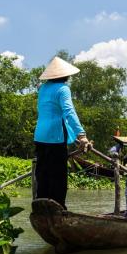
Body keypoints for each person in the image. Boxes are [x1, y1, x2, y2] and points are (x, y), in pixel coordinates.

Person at [33, 56, 90, 208]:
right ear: (65, 76)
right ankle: (58, 207)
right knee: (58, 174)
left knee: (43, 172)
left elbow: (53, 112)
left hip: (40, 135)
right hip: (55, 136)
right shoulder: (63, 89)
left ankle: (41, 203)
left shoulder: (43, 88)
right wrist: (81, 135)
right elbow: (69, 112)